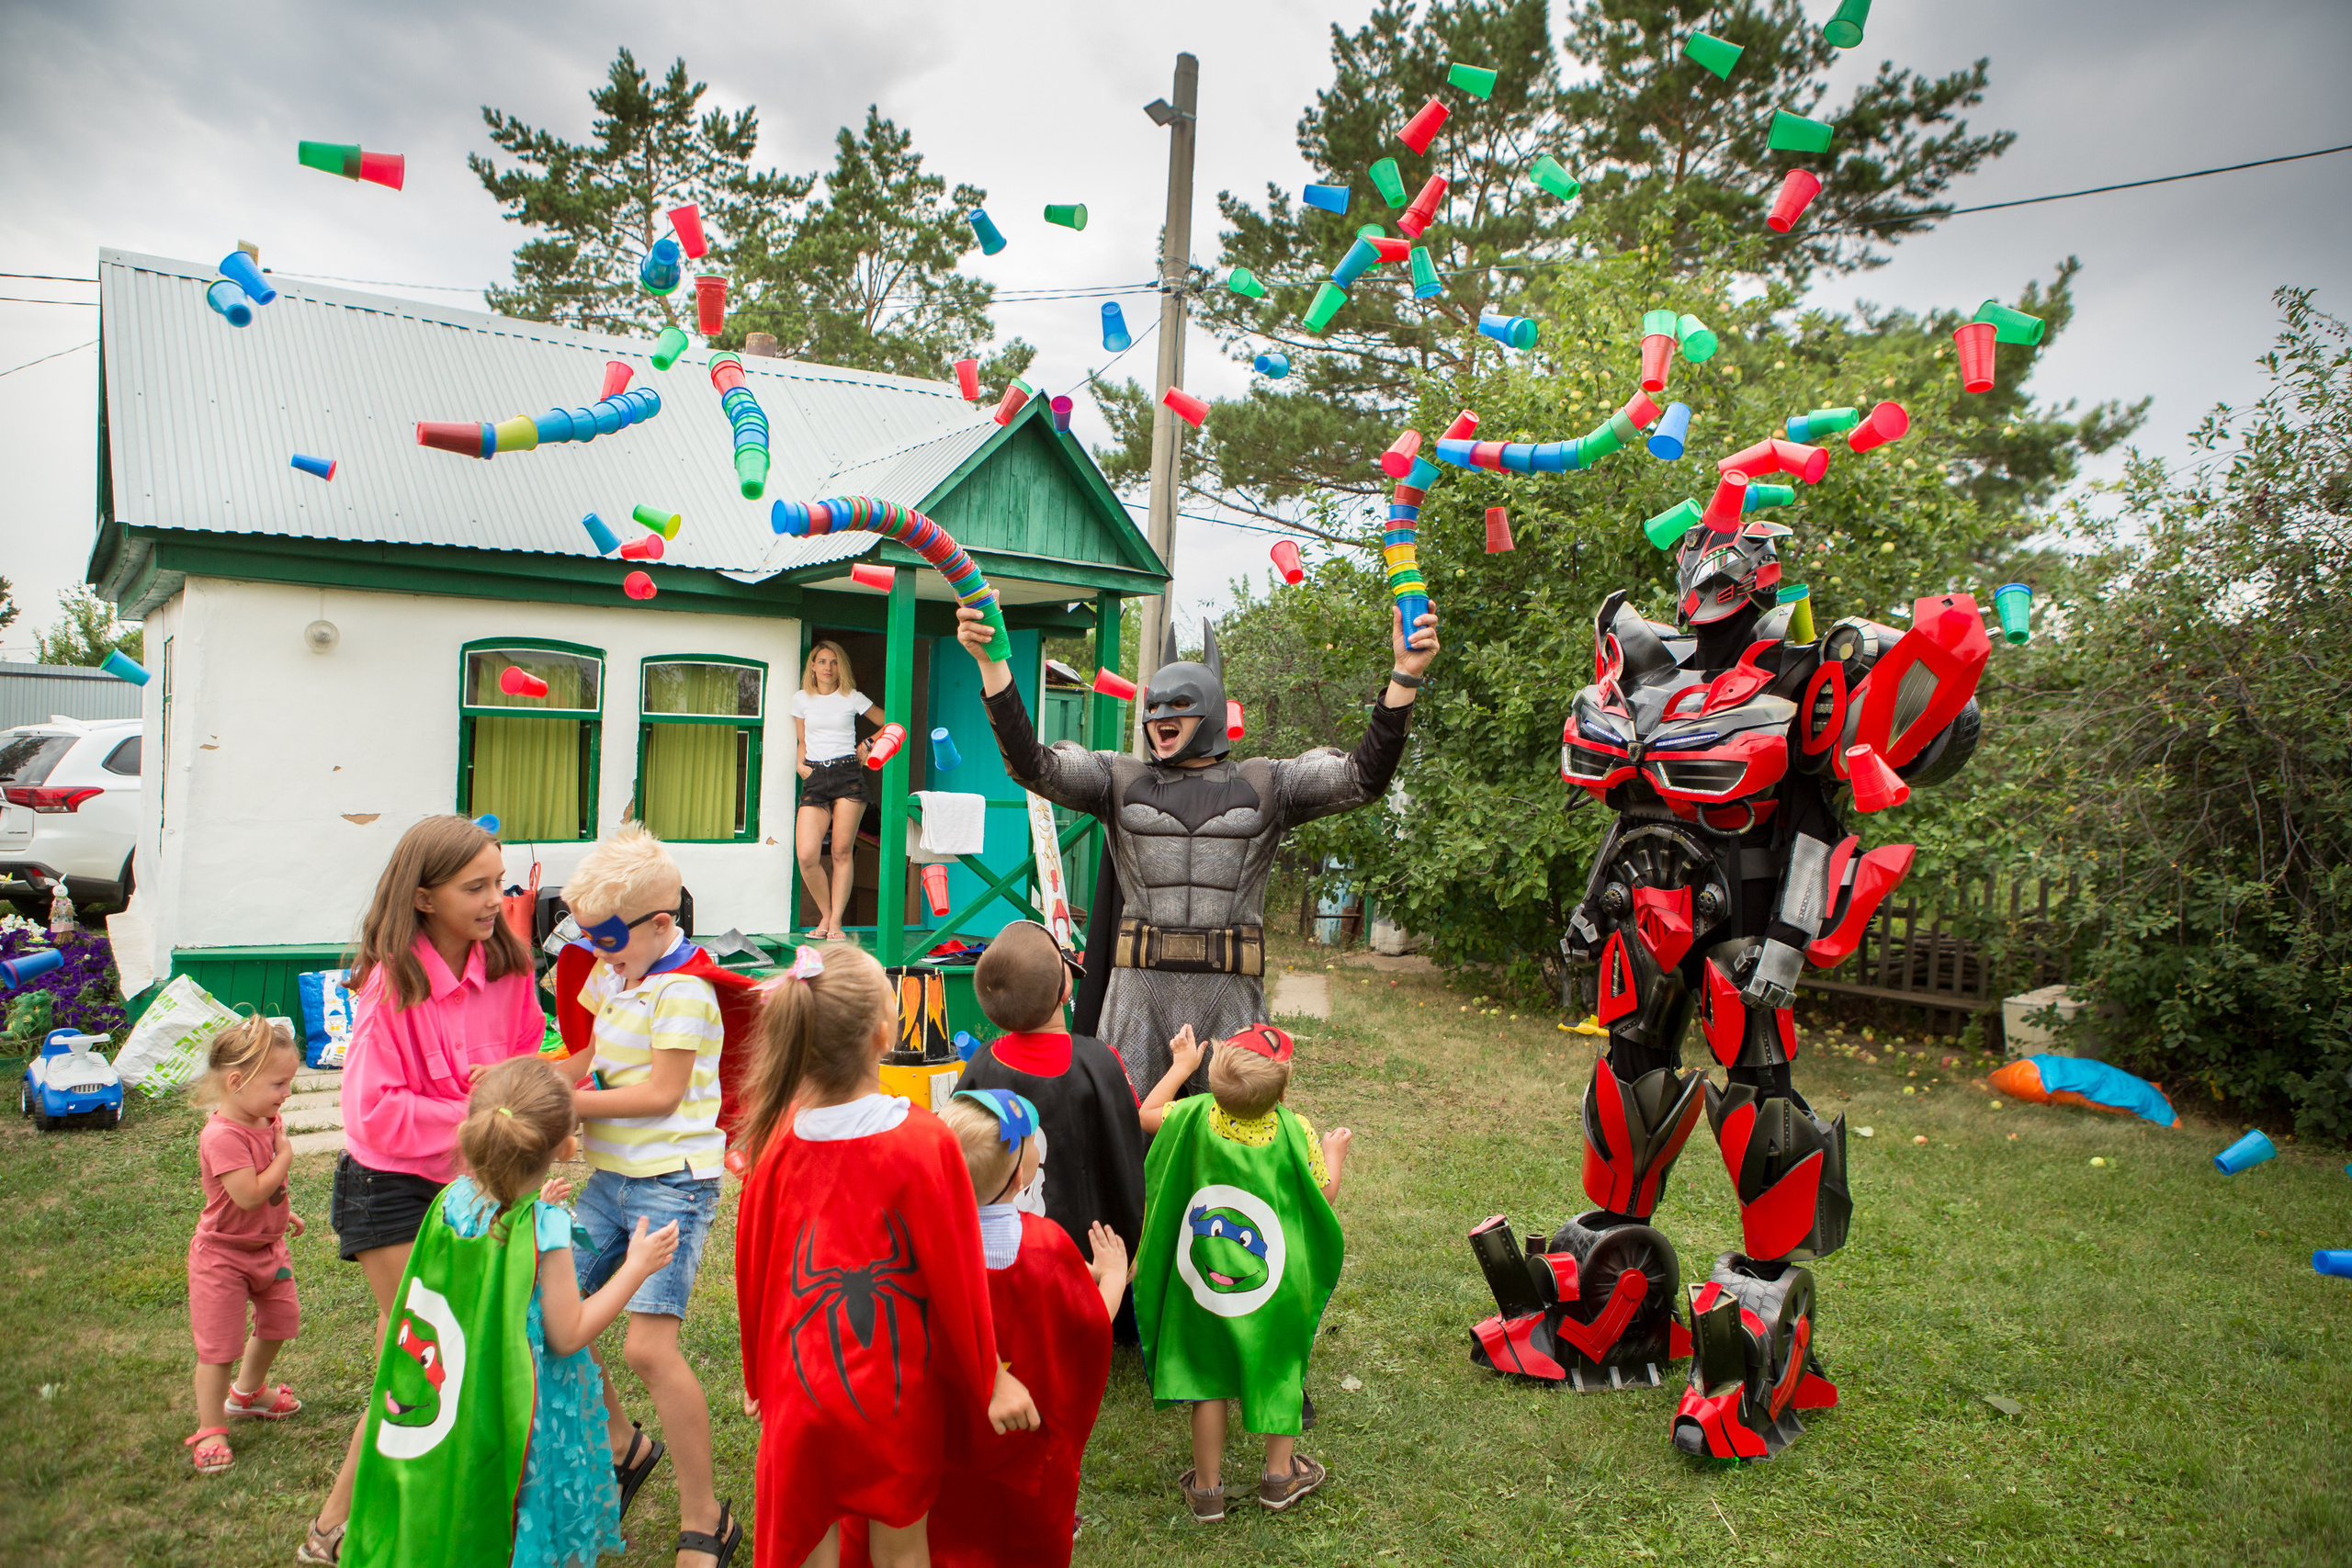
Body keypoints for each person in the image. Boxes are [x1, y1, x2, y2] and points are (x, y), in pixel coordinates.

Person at [953, 604, 1439, 1101]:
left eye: (1177, 705)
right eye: (1154, 707)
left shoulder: (1269, 782)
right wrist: (994, 664)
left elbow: (1361, 778)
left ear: (1208, 709)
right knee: (1124, 1130)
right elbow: (1032, 765)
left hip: (1230, 990)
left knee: (1237, 1136)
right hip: (1137, 993)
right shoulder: (1117, 778)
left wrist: (1404, 677)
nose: (1160, 717)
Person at [732, 942, 1041, 1568]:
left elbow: (754, 1265)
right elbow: (956, 1272)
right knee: (901, 1547)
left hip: (799, 1391)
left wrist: (757, 1374)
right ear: (885, 1031)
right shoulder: (925, 1142)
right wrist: (989, 1374)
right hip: (893, 1395)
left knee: (807, 1543)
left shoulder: (775, 1140)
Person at [305, 816, 547, 1564]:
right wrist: (481, 1112)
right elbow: (373, 1114)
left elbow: (529, 1059)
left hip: (480, 1187)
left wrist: (512, 1100)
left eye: (499, 883)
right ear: (421, 896)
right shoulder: (389, 984)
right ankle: (339, 1526)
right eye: (475, 887)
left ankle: (462, 1521)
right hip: (391, 1191)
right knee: (420, 1364)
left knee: (474, 1360)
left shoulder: (509, 968)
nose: (494, 899)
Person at [345, 1055, 681, 1568]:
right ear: (567, 1146)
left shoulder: (453, 1199)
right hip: (527, 1400)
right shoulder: (544, 1229)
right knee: (523, 1504)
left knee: (476, 1490)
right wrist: (636, 1268)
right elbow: (569, 1334)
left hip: (469, 1386)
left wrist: (530, 1199)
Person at [556, 824, 741, 1568]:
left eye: (609, 938)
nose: (598, 952)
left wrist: (564, 1106)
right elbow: (589, 1057)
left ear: (662, 923)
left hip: (672, 1185)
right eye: (590, 937)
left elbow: (664, 1094)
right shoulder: (615, 973)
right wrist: (528, 1074)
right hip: (609, 1181)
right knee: (549, 1311)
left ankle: (707, 1517)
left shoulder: (685, 989)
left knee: (646, 1347)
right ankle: (623, 1446)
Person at [840, 1089, 1124, 1568]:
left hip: (926, 1449)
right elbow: (1088, 1325)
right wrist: (1111, 1276)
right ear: (1019, 1181)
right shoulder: (1046, 1251)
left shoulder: (898, 1246)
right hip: (1013, 1458)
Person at [1133, 1024, 1351, 1522]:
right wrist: (1335, 1156)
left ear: (1213, 1081)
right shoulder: (1297, 1130)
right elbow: (1325, 1196)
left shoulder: (1189, 1115)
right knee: (1280, 1368)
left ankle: (1207, 1491)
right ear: (1284, 1087)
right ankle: (1280, 1477)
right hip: (1274, 1287)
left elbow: (1145, 1113)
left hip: (1204, 1283)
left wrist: (1180, 1067)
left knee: (1208, 1379)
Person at [951, 919, 1147, 1262]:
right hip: (1086, 1258)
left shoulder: (980, 1064)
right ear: (1066, 988)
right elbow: (1126, 1155)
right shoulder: (1099, 1063)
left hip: (996, 1258)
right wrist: (1130, 1245)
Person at [185, 1015, 308, 1475]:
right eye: (279, 1083)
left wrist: (281, 1213)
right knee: (218, 1348)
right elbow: (248, 1193)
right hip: (223, 1257)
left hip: (266, 1247)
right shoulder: (222, 1135)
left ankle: (248, 1394)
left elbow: (263, 1198)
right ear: (236, 1081)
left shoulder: (262, 1120)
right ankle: (211, 1428)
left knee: (280, 1322)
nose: (287, 1093)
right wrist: (284, 1157)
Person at [790, 640, 885, 941]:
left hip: (848, 775)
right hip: (816, 777)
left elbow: (889, 721)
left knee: (842, 851)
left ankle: (835, 924)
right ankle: (826, 915)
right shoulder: (801, 699)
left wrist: (868, 744)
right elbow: (802, 740)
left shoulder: (852, 697)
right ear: (813, 666)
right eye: (822, 661)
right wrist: (799, 762)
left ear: (840, 666)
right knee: (807, 855)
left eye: (833, 662)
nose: (828, 668)